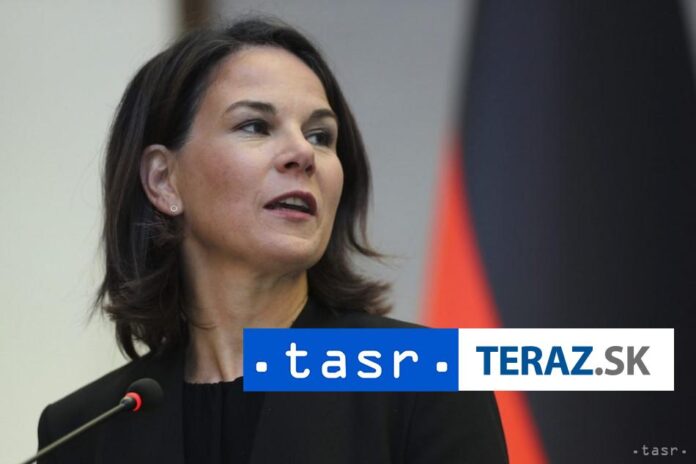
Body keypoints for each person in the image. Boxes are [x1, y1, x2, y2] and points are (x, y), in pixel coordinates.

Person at [36, 18, 508, 463]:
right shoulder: (83, 431)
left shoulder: (427, 378)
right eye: (255, 126)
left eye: (320, 136)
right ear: (164, 181)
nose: (303, 153)